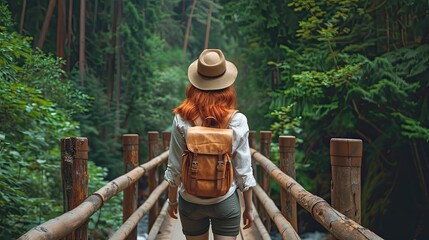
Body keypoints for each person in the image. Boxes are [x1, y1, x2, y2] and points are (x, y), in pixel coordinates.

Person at [164, 49, 257, 240]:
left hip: (190, 200)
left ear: (195, 83)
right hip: (224, 200)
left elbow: (174, 166)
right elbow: (243, 169)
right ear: (227, 85)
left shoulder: (181, 118)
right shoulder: (237, 120)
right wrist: (249, 207)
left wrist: (172, 201)